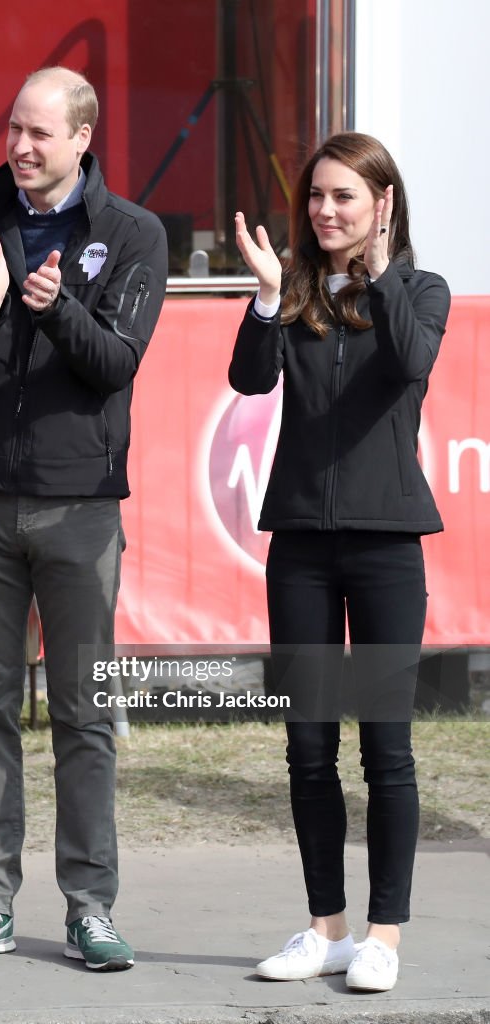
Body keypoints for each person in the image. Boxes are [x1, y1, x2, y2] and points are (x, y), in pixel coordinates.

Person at [0, 66, 167, 971]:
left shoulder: (131, 234)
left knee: (83, 714)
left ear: (80, 139)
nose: (19, 148)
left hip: (81, 509)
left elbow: (114, 362)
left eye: (38, 134)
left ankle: (89, 905)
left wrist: (53, 307)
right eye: (12, 129)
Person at [229, 132, 450, 993]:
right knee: (307, 746)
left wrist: (384, 269)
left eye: (344, 198)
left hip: (387, 545)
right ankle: (323, 929)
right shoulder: (295, 295)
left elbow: (412, 360)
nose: (324, 211)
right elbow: (250, 381)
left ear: (381, 205)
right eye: (315, 197)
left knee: (385, 748)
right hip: (299, 547)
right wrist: (261, 295)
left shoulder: (419, 291)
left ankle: (382, 936)